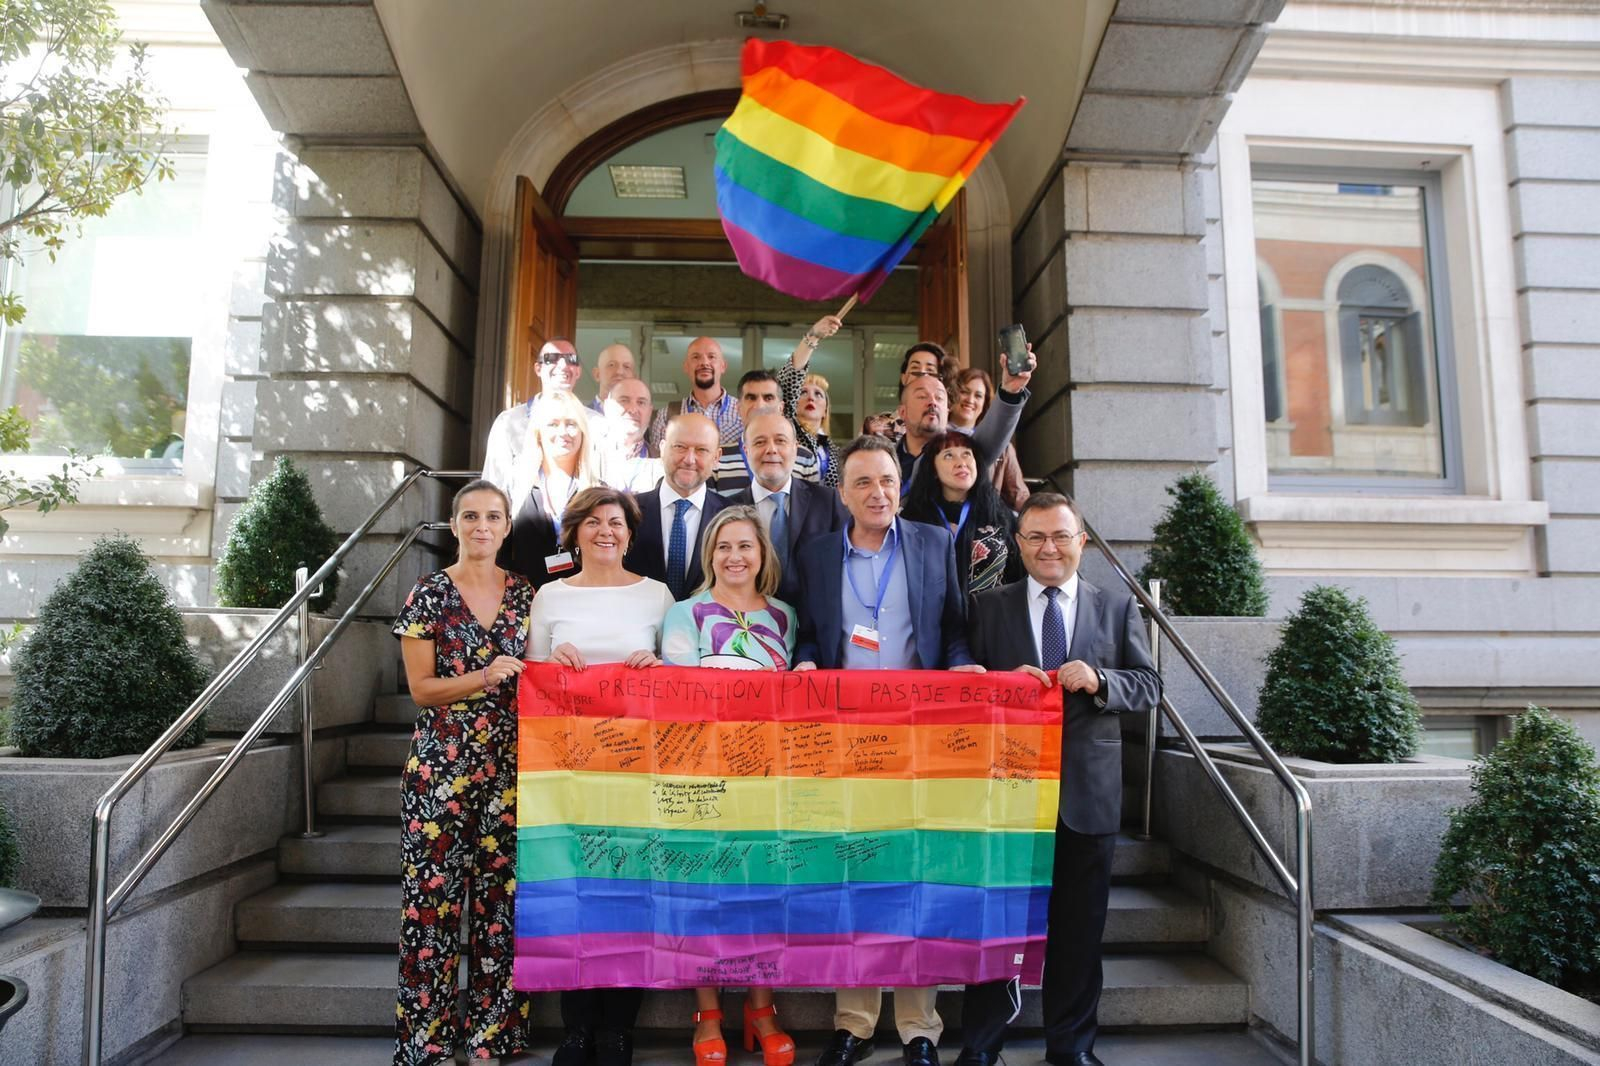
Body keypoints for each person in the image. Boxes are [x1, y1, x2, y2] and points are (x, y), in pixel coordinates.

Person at [790, 435, 984, 1066]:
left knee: (917, 874)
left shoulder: (933, 543)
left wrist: (961, 670)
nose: (878, 494)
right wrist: (809, 661)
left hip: (921, 734)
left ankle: (919, 1027)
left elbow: (953, 628)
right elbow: (811, 633)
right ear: (842, 493)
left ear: (901, 486)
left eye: (887, 481)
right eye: (863, 484)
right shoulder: (817, 553)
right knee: (856, 873)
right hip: (847, 737)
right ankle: (853, 1020)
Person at [954, 494, 1161, 1066]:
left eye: (1061, 536)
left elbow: (1149, 686)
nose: (1050, 548)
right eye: (1037, 537)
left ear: (1081, 542)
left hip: (1086, 799)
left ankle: (1071, 1048)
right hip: (1008, 798)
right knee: (995, 929)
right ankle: (981, 1046)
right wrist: (997, 682)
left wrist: (1100, 679)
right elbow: (966, 689)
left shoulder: (1116, 607)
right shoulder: (988, 607)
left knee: (1077, 935)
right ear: (1019, 545)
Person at [527, 486, 675, 1066]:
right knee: (575, 895)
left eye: (615, 522)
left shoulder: (658, 596)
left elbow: (680, 676)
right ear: (574, 533)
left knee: (630, 895)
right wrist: (551, 665)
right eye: (591, 522)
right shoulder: (548, 596)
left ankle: (618, 1029)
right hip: (567, 774)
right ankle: (577, 1028)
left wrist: (658, 667)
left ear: (630, 535)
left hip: (639, 771)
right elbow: (531, 677)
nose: (604, 531)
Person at [391, 480, 533, 1066]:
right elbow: (422, 690)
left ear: (505, 528)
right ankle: (427, 1041)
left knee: (501, 906)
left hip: (511, 769)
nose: (482, 525)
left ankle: (490, 1039)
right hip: (440, 772)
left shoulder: (525, 594)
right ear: (455, 525)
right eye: (471, 515)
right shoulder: (427, 594)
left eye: (493, 517)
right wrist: (485, 677)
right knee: (433, 904)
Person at [661, 507, 798, 1066]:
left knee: (764, 891)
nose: (735, 557)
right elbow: (678, 695)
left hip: (769, 775)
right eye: (723, 547)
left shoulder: (786, 615)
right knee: (705, 893)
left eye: (746, 546)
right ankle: (709, 1013)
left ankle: (761, 1009)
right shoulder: (684, 613)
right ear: (708, 554)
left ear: (762, 554)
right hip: (702, 774)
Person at [727, 410, 846, 604]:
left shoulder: (829, 502)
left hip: (813, 626)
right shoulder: (727, 509)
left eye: (780, 441)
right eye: (760, 442)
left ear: (795, 449)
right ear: (746, 451)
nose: (771, 449)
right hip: (747, 625)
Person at [900, 429, 1021, 597]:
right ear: (933, 470)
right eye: (948, 455)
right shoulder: (913, 520)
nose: (961, 462)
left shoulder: (999, 514)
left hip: (993, 618)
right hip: (933, 620)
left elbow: (1019, 574)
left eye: (966, 454)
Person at [895, 345, 1033, 489]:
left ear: (948, 409)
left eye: (939, 397)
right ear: (902, 412)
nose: (932, 402)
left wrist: (1010, 391)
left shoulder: (967, 447)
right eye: (922, 396)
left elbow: (992, 436)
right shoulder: (886, 453)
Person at [624, 413, 729, 599]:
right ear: (663, 448)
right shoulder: (628, 512)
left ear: (716, 457)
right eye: (680, 447)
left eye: (702, 450)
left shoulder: (732, 517)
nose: (689, 459)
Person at [711, 371, 819, 493]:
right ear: (738, 407)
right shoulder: (717, 458)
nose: (760, 405)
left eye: (768, 398)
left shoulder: (805, 457)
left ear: (781, 408)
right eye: (751, 398)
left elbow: (813, 507)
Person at [951, 367, 1030, 511]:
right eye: (965, 392)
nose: (970, 400)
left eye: (978, 396)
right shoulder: (936, 437)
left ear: (986, 403)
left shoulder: (1003, 447)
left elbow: (1018, 493)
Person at [779, 314, 844, 486]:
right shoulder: (788, 431)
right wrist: (813, 336)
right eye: (803, 392)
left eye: (818, 394)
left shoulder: (836, 452)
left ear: (825, 410)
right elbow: (792, 377)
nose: (811, 397)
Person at [647, 336, 743, 450]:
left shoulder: (742, 413)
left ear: (723, 366)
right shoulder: (666, 416)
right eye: (696, 357)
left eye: (711, 357)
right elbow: (660, 464)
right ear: (686, 367)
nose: (704, 362)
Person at [526, 389, 604, 520]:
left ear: (582, 432)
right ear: (538, 433)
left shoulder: (600, 492)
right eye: (553, 424)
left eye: (571, 424)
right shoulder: (516, 487)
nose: (562, 432)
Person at [598, 377, 662, 493]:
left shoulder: (663, 465)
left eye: (641, 402)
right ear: (607, 406)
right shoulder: (586, 456)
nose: (633, 409)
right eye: (624, 400)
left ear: (650, 411)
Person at [589, 342, 637, 415]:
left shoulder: (639, 421)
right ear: (597, 374)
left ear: (634, 378)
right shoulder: (579, 418)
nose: (619, 372)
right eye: (611, 365)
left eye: (626, 366)